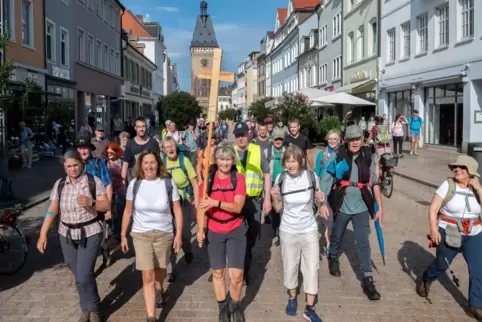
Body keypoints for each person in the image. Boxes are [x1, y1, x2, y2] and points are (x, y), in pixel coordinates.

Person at [37, 150, 110, 322]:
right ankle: (85, 308)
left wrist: (91, 202)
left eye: (75, 165)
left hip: (90, 232)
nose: (72, 169)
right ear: (64, 167)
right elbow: (52, 209)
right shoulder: (60, 184)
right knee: (78, 274)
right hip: (66, 234)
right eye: (68, 166)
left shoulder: (93, 181)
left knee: (84, 273)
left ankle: (93, 308)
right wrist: (43, 234)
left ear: (81, 164)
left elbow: (106, 205)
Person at [319, 125, 384, 300]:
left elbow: (375, 183)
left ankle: (367, 277)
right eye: (351, 139)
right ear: (346, 140)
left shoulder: (368, 157)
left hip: (362, 206)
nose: (355, 142)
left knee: (363, 242)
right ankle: (333, 256)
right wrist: (323, 203)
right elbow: (326, 180)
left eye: (358, 139)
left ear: (362, 140)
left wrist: (380, 206)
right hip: (342, 204)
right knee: (337, 236)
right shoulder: (338, 157)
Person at [120, 149, 183, 322]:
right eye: (145, 162)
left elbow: (177, 210)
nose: (149, 166)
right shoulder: (135, 184)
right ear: (140, 165)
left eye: (152, 162)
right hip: (141, 233)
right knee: (147, 274)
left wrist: (178, 236)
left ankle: (159, 287)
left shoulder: (167, 182)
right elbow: (127, 211)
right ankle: (151, 317)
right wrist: (123, 235)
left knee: (160, 270)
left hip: (164, 232)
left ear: (158, 164)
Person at [417, 155, 482, 320]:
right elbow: (433, 208)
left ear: (471, 171)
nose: (456, 169)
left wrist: (479, 189)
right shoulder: (448, 185)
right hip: (449, 231)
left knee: (478, 269)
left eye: (461, 167)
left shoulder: (477, 188)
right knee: (441, 264)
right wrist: (433, 230)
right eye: (455, 167)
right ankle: (427, 278)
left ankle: (475, 305)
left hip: (474, 233)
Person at [271, 145, 324, 321]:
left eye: (294, 160)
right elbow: (278, 208)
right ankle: (292, 298)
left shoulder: (311, 177)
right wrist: (273, 197)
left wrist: (321, 201)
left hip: (309, 229)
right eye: (288, 161)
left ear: (301, 161)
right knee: (290, 266)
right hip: (288, 230)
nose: (291, 164)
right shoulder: (280, 179)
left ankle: (310, 308)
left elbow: (319, 198)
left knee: (311, 268)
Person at [197, 142, 247, 322]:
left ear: (233, 160)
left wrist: (215, 203)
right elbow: (201, 207)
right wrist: (200, 228)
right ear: (215, 160)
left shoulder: (238, 179)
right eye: (221, 159)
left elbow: (238, 206)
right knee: (218, 273)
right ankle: (222, 308)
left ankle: (235, 306)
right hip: (214, 230)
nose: (225, 163)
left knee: (236, 275)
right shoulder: (209, 180)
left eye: (228, 159)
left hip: (235, 229)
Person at [233, 122, 271, 284]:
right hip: (236, 201)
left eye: (243, 134)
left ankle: (247, 253)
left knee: (253, 232)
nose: (240, 138)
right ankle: (243, 270)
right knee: (239, 235)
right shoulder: (231, 152)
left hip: (254, 200)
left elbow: (267, 174)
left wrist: (267, 197)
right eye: (237, 135)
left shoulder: (257, 150)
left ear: (249, 134)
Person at [162, 136, 199, 281]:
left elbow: (195, 184)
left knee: (184, 234)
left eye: (172, 145)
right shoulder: (162, 164)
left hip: (183, 201)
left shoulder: (185, 161)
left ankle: (187, 249)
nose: (170, 148)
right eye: (167, 147)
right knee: (169, 235)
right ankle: (171, 270)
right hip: (167, 204)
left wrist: (196, 203)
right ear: (163, 151)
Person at [314, 129, 341, 256]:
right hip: (326, 191)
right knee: (329, 221)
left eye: (334, 139)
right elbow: (315, 174)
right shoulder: (322, 154)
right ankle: (330, 245)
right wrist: (318, 192)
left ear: (339, 140)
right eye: (330, 139)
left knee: (338, 218)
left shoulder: (342, 153)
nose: (332, 141)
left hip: (339, 191)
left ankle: (335, 240)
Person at [121, 117, 160, 185]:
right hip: (136, 180)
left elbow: (159, 162)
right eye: (139, 127)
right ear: (135, 128)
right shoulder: (130, 144)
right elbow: (125, 164)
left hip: (152, 180)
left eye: (143, 126)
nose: (141, 129)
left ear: (146, 127)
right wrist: (123, 181)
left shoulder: (153, 143)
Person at [267, 129, 286, 244]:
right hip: (272, 182)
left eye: (280, 139)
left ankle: (282, 229)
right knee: (275, 208)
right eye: (276, 139)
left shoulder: (287, 151)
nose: (278, 141)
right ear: (273, 140)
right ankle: (276, 228)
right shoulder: (268, 151)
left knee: (283, 206)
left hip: (284, 182)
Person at [104, 142, 126, 240]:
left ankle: (118, 232)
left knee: (119, 212)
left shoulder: (122, 162)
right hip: (108, 191)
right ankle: (109, 230)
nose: (109, 153)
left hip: (119, 191)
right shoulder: (104, 163)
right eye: (107, 152)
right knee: (108, 211)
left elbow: (126, 177)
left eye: (111, 151)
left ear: (116, 152)